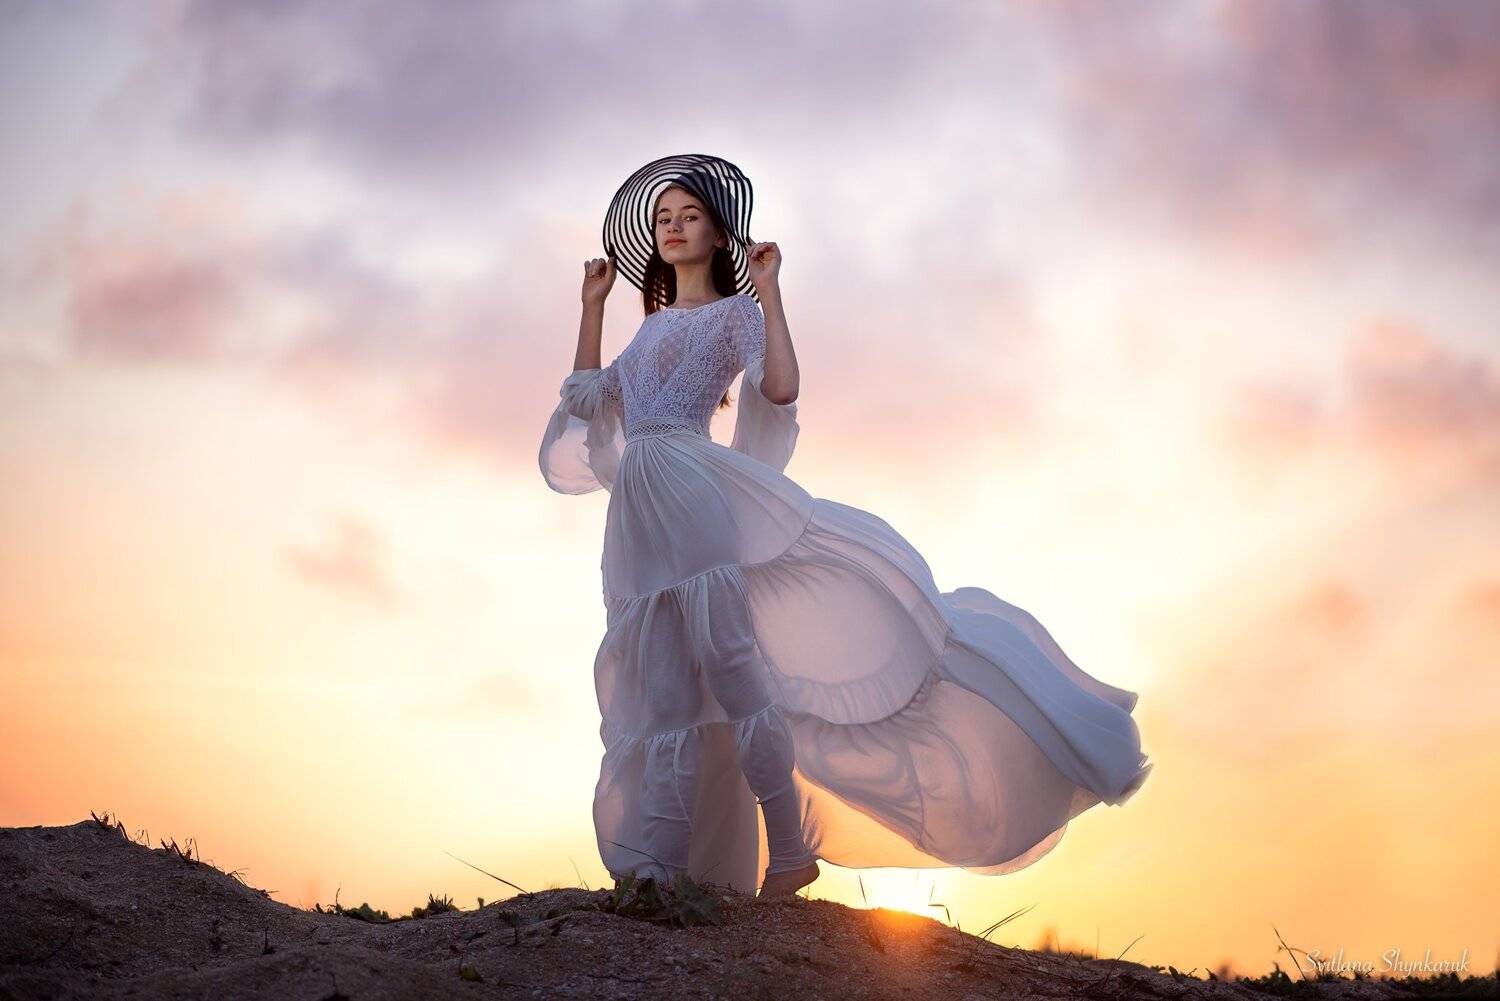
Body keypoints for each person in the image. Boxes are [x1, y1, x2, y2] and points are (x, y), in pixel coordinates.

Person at [540, 154, 1152, 901]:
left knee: (732, 671)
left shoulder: (734, 315)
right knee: (663, 691)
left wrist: (769, 292)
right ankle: (659, 873)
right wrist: (593, 305)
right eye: (664, 218)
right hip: (638, 516)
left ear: (718, 234)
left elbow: (781, 388)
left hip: (694, 492)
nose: (673, 228)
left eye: (689, 216)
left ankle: (790, 850)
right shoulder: (649, 330)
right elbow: (586, 400)